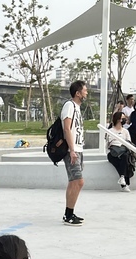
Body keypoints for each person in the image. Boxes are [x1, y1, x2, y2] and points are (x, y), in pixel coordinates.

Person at [60, 80, 88, 226]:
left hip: (78, 148)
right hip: (72, 150)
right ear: (77, 93)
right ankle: (69, 215)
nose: (86, 92)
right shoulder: (69, 106)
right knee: (78, 181)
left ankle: (68, 214)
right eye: (84, 90)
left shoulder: (76, 107)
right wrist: (71, 150)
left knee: (73, 182)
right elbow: (66, 128)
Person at [105, 110, 133, 191]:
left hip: (123, 152)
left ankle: (122, 178)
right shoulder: (110, 131)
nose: (124, 120)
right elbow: (107, 144)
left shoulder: (126, 131)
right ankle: (126, 183)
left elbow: (129, 143)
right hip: (113, 153)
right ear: (118, 119)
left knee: (125, 158)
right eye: (122, 118)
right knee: (122, 162)